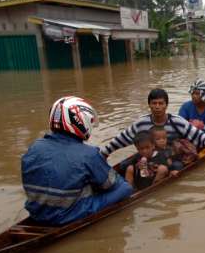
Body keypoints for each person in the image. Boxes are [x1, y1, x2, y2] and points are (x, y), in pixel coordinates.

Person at [21, 96, 133, 226]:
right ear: (81, 121)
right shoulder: (88, 154)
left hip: (37, 214)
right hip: (67, 216)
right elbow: (114, 185)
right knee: (125, 188)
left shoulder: (34, 147)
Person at [101, 88, 205, 161]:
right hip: (150, 157)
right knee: (124, 165)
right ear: (149, 105)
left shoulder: (177, 121)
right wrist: (105, 153)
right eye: (154, 103)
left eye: (161, 103)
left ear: (166, 105)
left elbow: (200, 136)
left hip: (172, 158)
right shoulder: (141, 123)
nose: (157, 107)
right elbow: (122, 139)